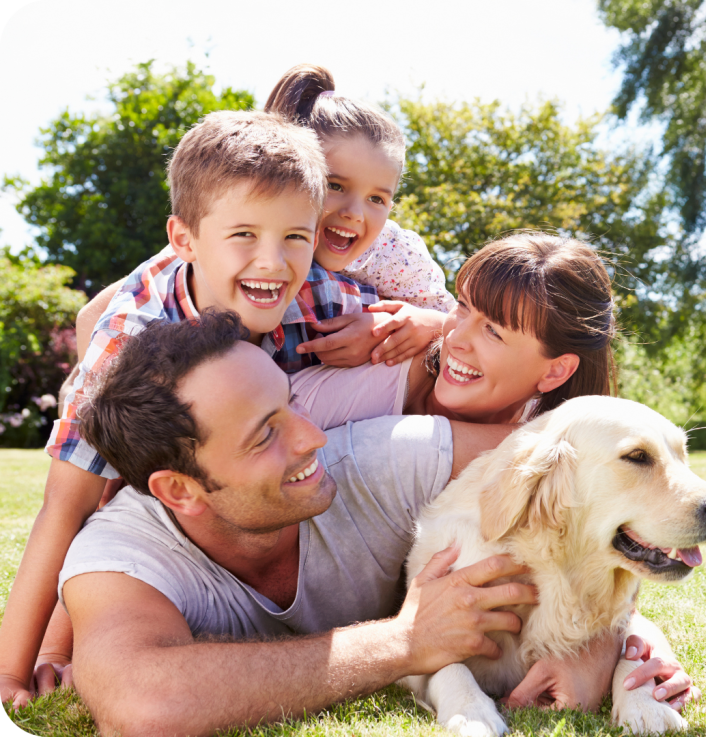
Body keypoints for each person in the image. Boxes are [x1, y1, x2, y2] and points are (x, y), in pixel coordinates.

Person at [56, 310, 622, 735]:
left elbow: (595, 482)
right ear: (179, 490)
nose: (313, 437)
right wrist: (403, 642)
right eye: (265, 435)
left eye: (291, 405)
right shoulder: (122, 553)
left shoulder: (387, 458)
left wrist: (602, 642)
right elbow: (143, 705)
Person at [0, 110, 397, 707]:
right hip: (168, 455)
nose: (273, 262)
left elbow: (432, 345)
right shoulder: (130, 339)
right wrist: (21, 666)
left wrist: (425, 325)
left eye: (295, 236)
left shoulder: (319, 290)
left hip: (259, 453)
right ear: (184, 239)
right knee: (113, 486)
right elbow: (68, 504)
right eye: (245, 235)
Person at [263, 63, 456, 369]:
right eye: (335, 185)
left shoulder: (394, 253)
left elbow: (451, 322)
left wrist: (401, 325)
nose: (354, 213)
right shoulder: (250, 228)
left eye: (376, 198)